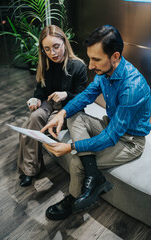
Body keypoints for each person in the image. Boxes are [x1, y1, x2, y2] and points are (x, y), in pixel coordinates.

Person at [41, 25, 151, 220]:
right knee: (74, 115)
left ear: (115, 56)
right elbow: (86, 96)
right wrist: (62, 113)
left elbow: (110, 137)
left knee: (77, 160)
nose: (90, 66)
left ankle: (74, 200)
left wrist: (71, 146)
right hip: (110, 125)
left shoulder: (132, 87)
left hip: (129, 141)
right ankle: (95, 177)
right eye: (90, 58)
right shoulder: (104, 74)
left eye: (96, 59)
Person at [18, 25, 88, 187]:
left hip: (70, 107)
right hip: (50, 103)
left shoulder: (78, 66)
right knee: (35, 116)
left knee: (31, 126)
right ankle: (31, 170)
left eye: (56, 47)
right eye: (47, 49)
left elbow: (84, 98)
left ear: (65, 42)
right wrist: (35, 100)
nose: (53, 53)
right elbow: (40, 90)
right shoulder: (45, 64)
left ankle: (29, 167)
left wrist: (66, 95)